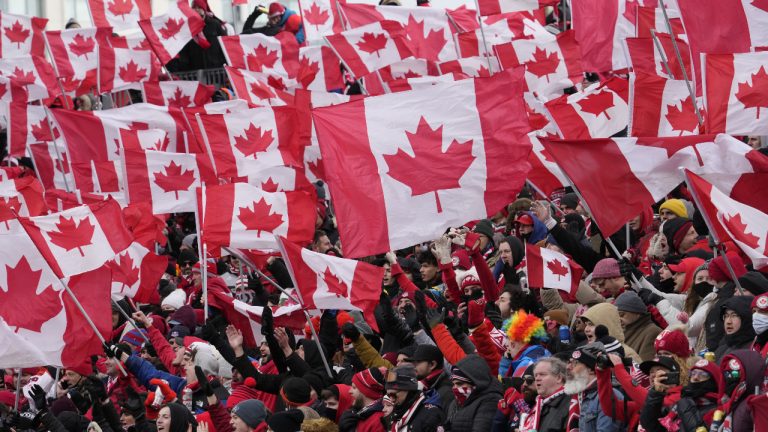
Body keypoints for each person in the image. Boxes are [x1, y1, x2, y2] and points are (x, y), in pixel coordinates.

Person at [639, 358, 722, 432]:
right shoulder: (677, 405)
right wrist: (655, 394)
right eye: (693, 373)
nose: (696, 377)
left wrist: (685, 400)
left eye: (703, 375)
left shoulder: (717, 411)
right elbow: (650, 425)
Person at [566, 342, 626, 432]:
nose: (568, 367)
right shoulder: (581, 395)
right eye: (569, 362)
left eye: (575, 363)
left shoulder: (610, 395)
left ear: (590, 369)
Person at [444, 354, 502, 432]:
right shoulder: (457, 402)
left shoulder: (491, 401)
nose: (455, 388)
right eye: (453, 384)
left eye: (459, 384)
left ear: (475, 381)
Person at [384, 364, 443, 431]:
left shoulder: (430, 416)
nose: (391, 399)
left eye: (393, 395)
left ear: (409, 390)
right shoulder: (397, 413)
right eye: (388, 395)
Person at [521, 357, 570, 432]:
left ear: (559, 378)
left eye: (542, 374)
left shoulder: (570, 404)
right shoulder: (539, 404)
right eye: (536, 375)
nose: (537, 379)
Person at [614, 291, 661, 361]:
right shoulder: (621, 332)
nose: (618, 319)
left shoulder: (653, 332)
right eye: (616, 316)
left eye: (622, 315)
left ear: (637, 313)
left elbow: (646, 366)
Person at [339, 367, 387, 432]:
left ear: (366, 392)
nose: (349, 391)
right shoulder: (360, 414)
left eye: (354, 387)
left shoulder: (378, 421)